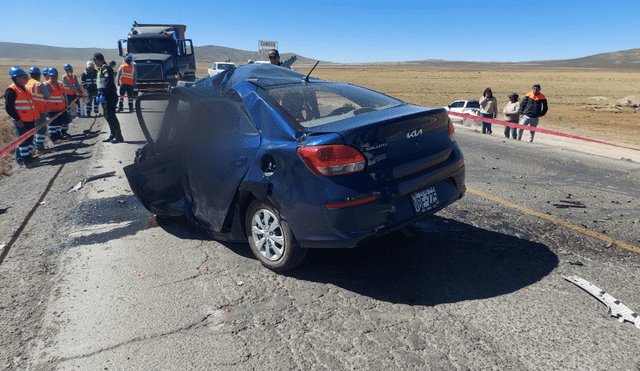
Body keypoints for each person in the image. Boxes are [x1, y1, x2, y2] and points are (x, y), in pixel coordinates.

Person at [5, 67, 39, 168]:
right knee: (23, 141)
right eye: (22, 77)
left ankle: (28, 156)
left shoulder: (25, 89)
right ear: (15, 79)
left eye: (25, 77)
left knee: (29, 140)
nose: (25, 79)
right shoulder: (11, 90)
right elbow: (8, 107)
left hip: (30, 119)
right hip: (21, 121)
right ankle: (26, 161)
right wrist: (17, 119)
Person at [94, 53, 124, 143]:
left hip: (109, 96)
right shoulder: (101, 69)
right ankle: (112, 134)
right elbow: (101, 83)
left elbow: (108, 82)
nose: (95, 62)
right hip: (104, 95)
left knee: (111, 116)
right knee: (107, 116)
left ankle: (119, 136)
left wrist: (103, 93)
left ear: (99, 60)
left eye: (95, 60)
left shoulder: (106, 68)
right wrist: (99, 94)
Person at [25, 66, 52, 154]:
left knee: (30, 131)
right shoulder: (38, 84)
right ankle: (40, 148)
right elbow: (47, 96)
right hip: (39, 110)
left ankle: (30, 151)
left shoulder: (25, 84)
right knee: (41, 129)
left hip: (27, 111)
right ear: (39, 75)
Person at [43, 67, 70, 143]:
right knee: (52, 125)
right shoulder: (46, 85)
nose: (54, 77)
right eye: (52, 76)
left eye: (55, 76)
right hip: (52, 109)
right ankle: (53, 138)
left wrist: (66, 103)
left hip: (61, 108)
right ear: (49, 76)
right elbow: (44, 97)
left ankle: (59, 136)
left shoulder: (60, 84)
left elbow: (64, 95)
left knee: (59, 123)